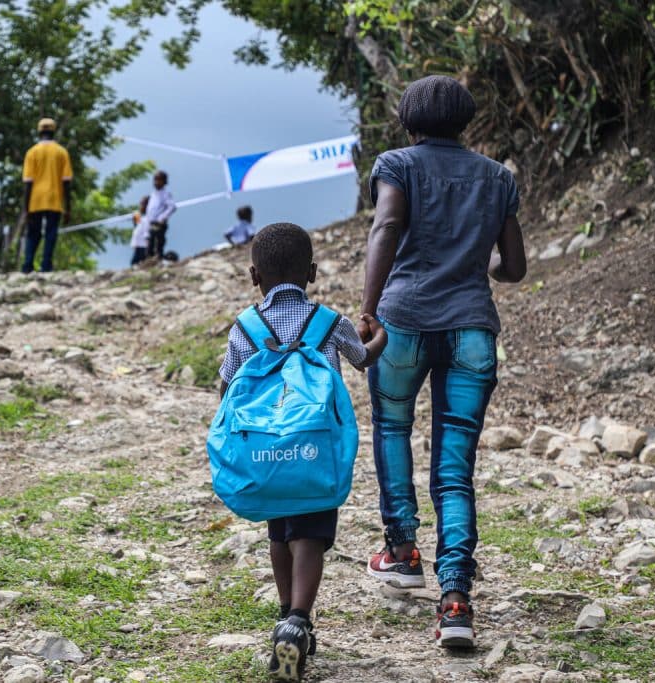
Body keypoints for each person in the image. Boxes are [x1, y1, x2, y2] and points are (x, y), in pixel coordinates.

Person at [358, 75, 527, 649]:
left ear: (409, 122)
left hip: (403, 320)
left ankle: (402, 551)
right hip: (472, 329)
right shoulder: (497, 177)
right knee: (456, 467)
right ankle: (456, 601)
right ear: (467, 122)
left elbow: (386, 225)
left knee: (393, 428)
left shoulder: (397, 163)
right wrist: (482, 270)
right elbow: (515, 267)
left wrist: (367, 309)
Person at [218, 223, 388, 681]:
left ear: (255, 276)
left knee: (280, 533)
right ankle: (299, 620)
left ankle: (283, 614)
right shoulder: (330, 323)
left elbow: (226, 386)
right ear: (312, 272)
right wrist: (379, 339)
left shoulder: (245, 327)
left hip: (268, 455)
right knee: (310, 535)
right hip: (315, 451)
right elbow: (362, 358)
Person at [21, 117, 73, 273]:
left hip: (35, 199)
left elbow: (28, 182)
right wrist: (68, 206)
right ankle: (46, 265)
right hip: (54, 198)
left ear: (39, 132)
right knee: (51, 234)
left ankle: (28, 265)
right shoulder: (61, 152)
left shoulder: (32, 152)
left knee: (33, 234)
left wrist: (26, 207)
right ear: (53, 131)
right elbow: (66, 182)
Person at [144, 170, 175, 259]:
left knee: (158, 246)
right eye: (155, 180)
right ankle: (149, 264)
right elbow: (149, 211)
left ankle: (158, 262)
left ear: (164, 181)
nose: (156, 182)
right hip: (151, 224)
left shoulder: (165, 194)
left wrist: (161, 218)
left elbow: (172, 207)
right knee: (150, 247)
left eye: (159, 180)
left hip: (159, 224)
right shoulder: (153, 194)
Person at [130, 196, 150, 266]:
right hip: (139, 246)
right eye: (140, 204)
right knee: (135, 263)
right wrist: (135, 217)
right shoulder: (142, 217)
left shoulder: (149, 217)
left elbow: (147, 233)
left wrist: (148, 247)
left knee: (135, 263)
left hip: (143, 246)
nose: (140, 206)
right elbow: (138, 225)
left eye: (142, 204)